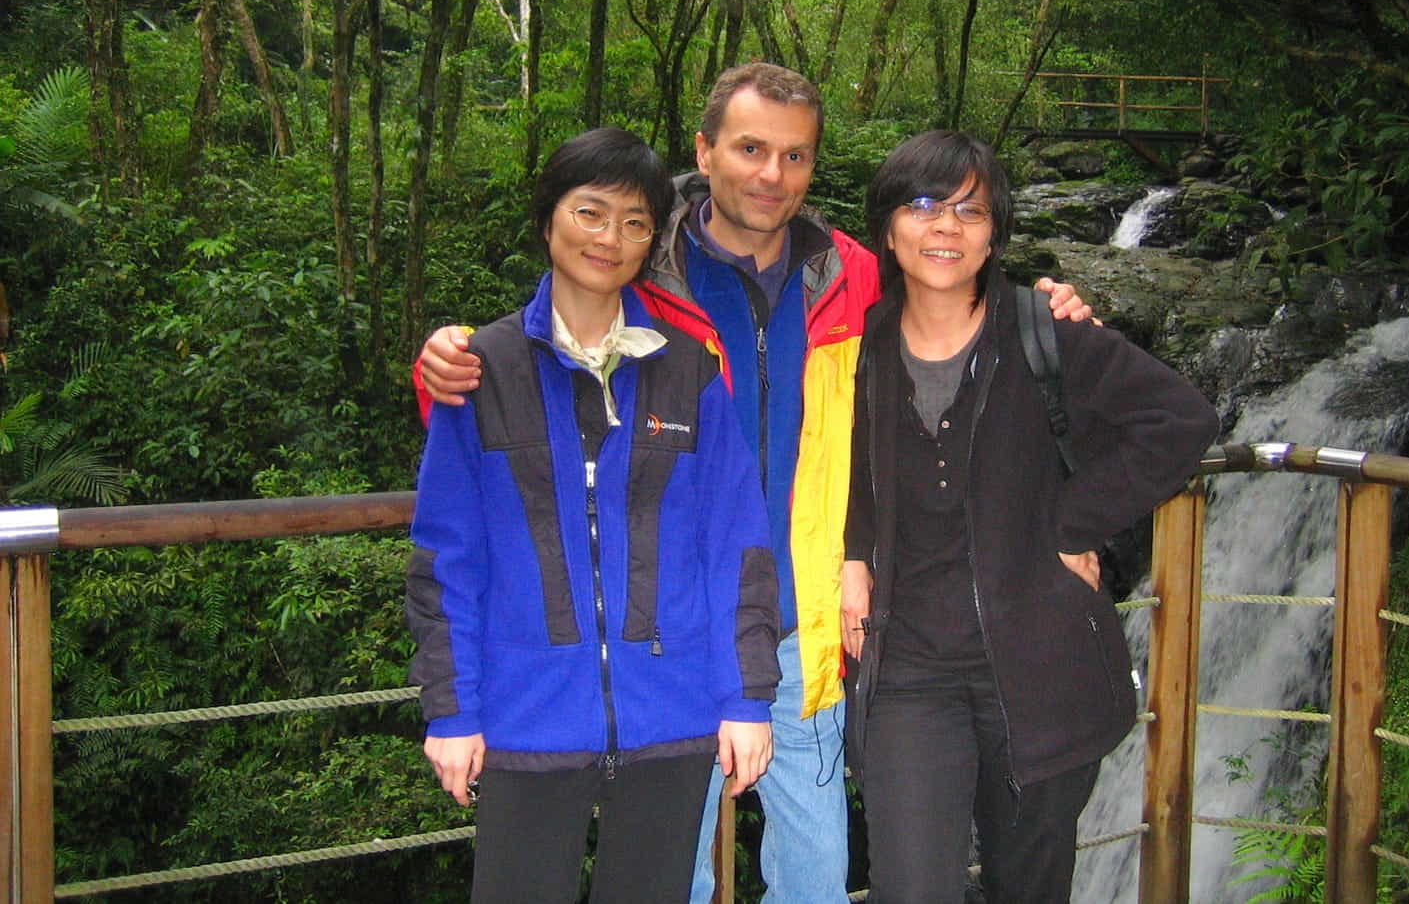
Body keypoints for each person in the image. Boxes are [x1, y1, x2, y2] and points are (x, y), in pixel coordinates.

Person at [416, 64, 1094, 903]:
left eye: (795, 155)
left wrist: (1049, 311)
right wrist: (443, 366)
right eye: (749, 148)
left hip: (804, 621)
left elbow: (961, 310)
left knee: (813, 873)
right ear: (704, 153)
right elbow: (544, 366)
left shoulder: (854, 274)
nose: (772, 174)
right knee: (674, 872)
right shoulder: (642, 270)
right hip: (669, 633)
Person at [840, 131, 1220, 904]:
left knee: (1028, 886)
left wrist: (1072, 524)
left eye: (970, 210)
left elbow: (1181, 421)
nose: (946, 226)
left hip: (1041, 666)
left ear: (993, 233)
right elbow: (835, 472)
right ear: (886, 227)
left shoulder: (1046, 330)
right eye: (922, 205)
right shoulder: (856, 347)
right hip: (909, 665)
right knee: (912, 888)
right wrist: (852, 553)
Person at [404, 127, 781, 904]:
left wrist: (746, 699)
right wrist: (451, 710)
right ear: (548, 220)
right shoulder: (482, 372)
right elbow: (448, 560)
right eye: (590, 212)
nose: (611, 238)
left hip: (670, 712)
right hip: (524, 714)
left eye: (636, 222)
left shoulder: (687, 372)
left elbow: (736, 546)